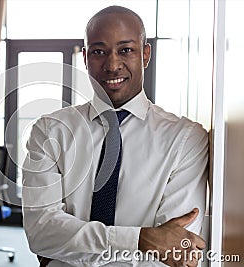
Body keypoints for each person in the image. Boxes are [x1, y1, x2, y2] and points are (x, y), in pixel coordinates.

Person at [22, 5, 208, 267]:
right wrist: (141, 240)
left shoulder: (186, 139)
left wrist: (70, 246)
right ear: (85, 58)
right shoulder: (49, 131)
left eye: (126, 50)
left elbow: (173, 252)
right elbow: (41, 233)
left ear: (145, 55)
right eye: (99, 52)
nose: (112, 65)